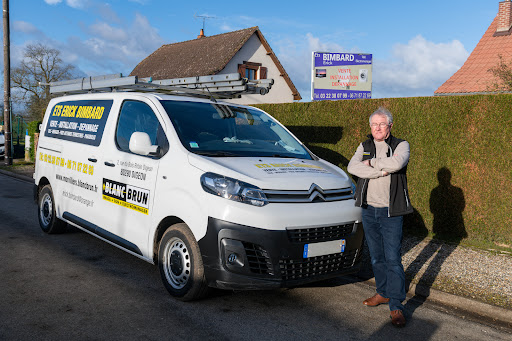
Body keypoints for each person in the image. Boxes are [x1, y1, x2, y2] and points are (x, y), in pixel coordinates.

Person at [347, 106, 412, 327]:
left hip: (391, 211)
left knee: (392, 258)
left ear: (390, 126)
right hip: (369, 209)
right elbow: (353, 167)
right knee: (376, 256)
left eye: (382, 124)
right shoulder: (364, 145)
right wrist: (381, 171)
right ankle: (382, 292)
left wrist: (372, 164)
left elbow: (397, 163)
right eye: (374, 124)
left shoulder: (401, 145)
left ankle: (396, 306)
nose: (377, 128)